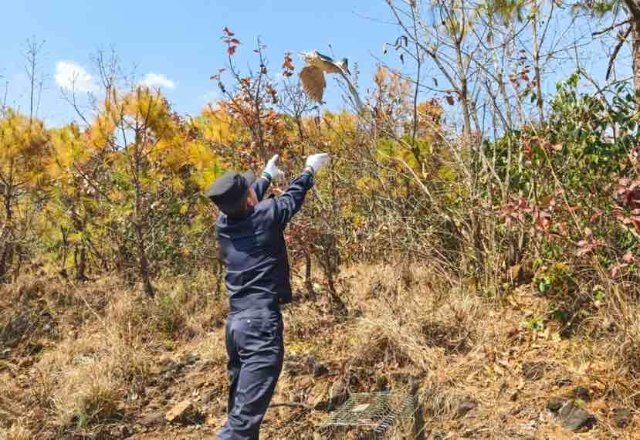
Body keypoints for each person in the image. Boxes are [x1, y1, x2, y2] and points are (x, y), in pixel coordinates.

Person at [205, 152, 330, 440]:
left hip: (236, 328)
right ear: (250, 200)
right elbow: (291, 199)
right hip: (260, 327)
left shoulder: (224, 225)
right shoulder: (266, 216)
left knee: (241, 411)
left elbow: (245, 203)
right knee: (240, 425)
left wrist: (266, 176)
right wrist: (310, 169)